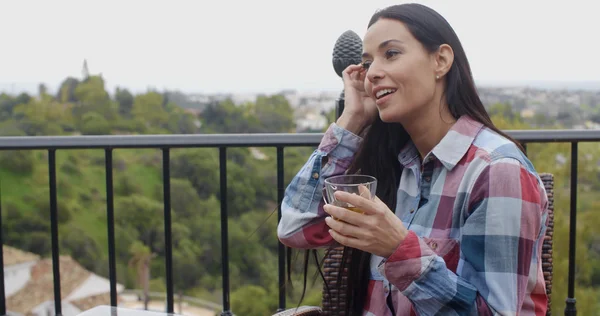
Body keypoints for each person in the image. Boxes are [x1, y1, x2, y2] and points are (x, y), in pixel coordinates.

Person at [277, 3, 549, 316]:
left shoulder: (497, 172)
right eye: (367, 62)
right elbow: (295, 228)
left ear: (441, 60)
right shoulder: (399, 166)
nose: (373, 72)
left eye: (390, 53)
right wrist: (352, 119)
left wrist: (398, 249)